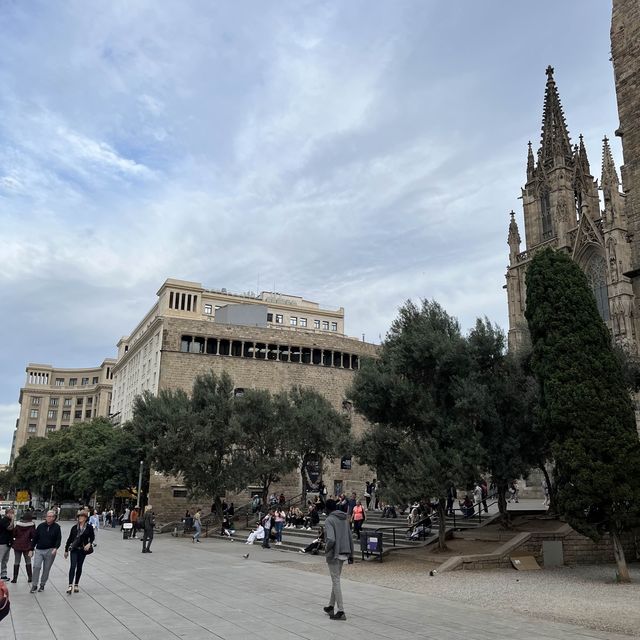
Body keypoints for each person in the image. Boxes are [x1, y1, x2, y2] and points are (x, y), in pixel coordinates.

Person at [323, 499, 353, 621]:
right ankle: (331, 606)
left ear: (327, 509)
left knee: (336, 581)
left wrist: (326, 549)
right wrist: (351, 553)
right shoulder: (344, 519)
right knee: (336, 580)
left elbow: (331, 539)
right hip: (344, 551)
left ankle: (341, 610)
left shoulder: (329, 520)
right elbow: (350, 535)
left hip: (334, 553)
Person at [30, 510, 62, 593]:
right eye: (48, 516)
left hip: (50, 550)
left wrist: (55, 548)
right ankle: (34, 584)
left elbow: (58, 539)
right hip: (39, 549)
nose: (49, 518)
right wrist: (31, 549)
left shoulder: (57, 527)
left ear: (54, 518)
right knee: (36, 566)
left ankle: (42, 584)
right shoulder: (41, 526)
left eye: (51, 516)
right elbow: (35, 538)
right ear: (46, 517)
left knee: (46, 568)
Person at [64, 510, 94, 594]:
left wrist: (89, 543)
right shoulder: (74, 528)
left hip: (82, 550)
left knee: (79, 567)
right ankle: (70, 585)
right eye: (79, 517)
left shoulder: (89, 527)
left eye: (82, 517)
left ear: (85, 518)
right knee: (73, 566)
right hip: (74, 549)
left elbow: (92, 537)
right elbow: (70, 539)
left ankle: (76, 584)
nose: (80, 518)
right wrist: (66, 550)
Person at [12, 511, 36, 584]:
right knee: (28, 561)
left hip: (17, 545)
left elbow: (14, 534)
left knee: (16, 561)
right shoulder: (31, 526)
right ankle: (30, 577)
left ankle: (15, 578)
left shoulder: (18, 525)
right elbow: (33, 536)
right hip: (27, 546)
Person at [0, 508, 15, 581]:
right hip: (2, 543)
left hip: (8, 543)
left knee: (5, 560)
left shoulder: (9, 520)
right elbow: (9, 528)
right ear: (7, 513)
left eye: (13, 513)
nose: (12, 514)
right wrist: (12, 520)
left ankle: (3, 575)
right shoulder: (4, 520)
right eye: (11, 513)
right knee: (1, 559)